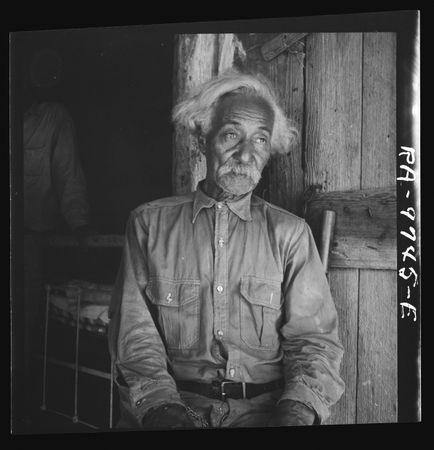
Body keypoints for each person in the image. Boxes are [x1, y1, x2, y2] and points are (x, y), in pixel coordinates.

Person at [108, 70, 345, 429]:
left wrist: (295, 412)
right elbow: (134, 336)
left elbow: (314, 343)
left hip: (266, 413)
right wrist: (162, 408)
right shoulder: (149, 224)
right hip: (174, 408)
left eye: (261, 140)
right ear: (203, 140)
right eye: (232, 134)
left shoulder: (290, 234)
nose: (246, 154)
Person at [19, 48, 91, 418]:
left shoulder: (52, 118)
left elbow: (67, 172)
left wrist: (79, 225)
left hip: (25, 242)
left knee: (20, 337)